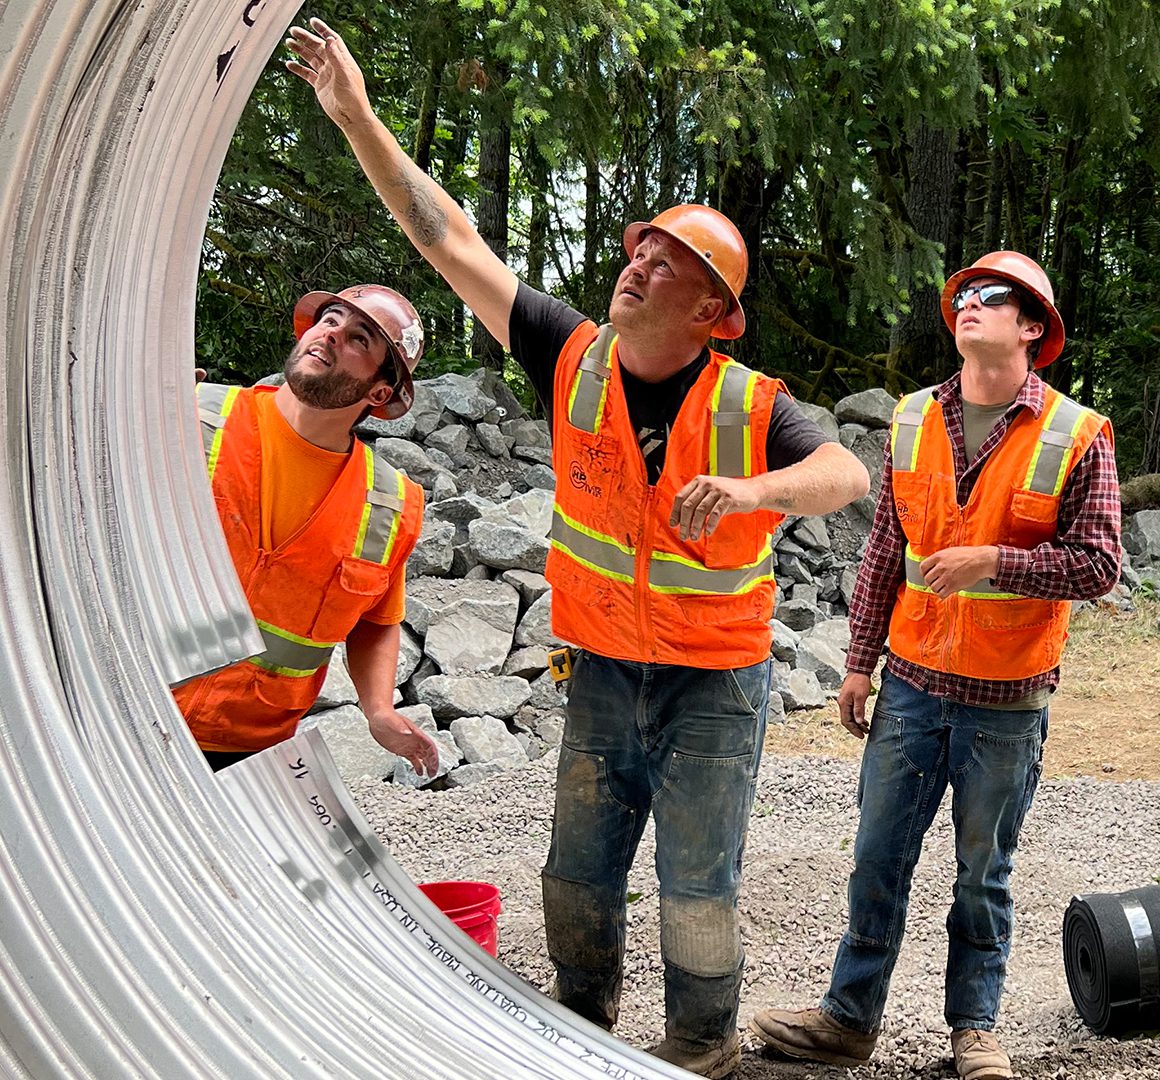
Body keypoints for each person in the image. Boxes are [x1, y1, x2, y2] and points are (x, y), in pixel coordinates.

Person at [286, 18, 871, 1077]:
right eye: (639, 247)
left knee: (699, 885)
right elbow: (447, 240)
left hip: (714, 683)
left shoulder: (749, 405)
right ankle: (581, 1033)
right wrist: (358, 118)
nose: (638, 264)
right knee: (577, 874)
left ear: (713, 311)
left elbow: (847, 478)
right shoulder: (573, 356)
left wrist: (751, 488)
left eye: (669, 261)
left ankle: (700, 1048)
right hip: (602, 665)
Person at [750, 252, 1122, 1080]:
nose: (969, 306)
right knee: (878, 857)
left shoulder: (1077, 433)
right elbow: (887, 549)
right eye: (962, 297)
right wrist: (856, 663)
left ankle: (975, 1031)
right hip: (912, 687)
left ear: (1032, 328)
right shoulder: (913, 418)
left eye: (991, 298)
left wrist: (996, 560)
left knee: (982, 875)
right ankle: (849, 1020)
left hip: (1007, 700)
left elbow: (1098, 565)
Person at [177, 284, 439, 779]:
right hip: (120, 702)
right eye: (331, 319)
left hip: (248, 755)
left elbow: (377, 621)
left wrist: (378, 709)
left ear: (380, 392)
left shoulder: (389, 505)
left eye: (360, 338)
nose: (333, 334)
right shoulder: (192, 412)